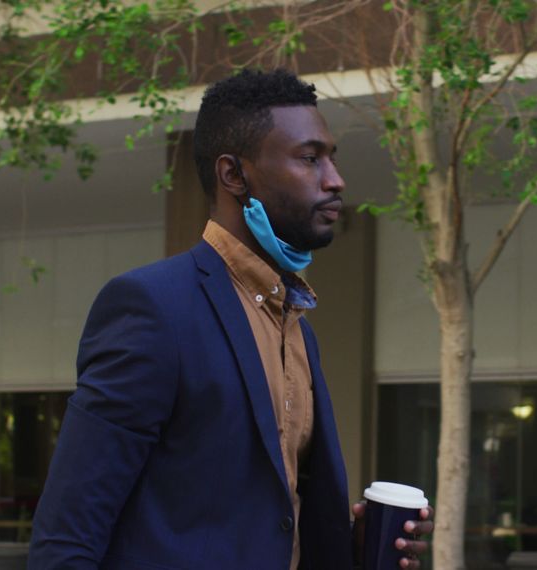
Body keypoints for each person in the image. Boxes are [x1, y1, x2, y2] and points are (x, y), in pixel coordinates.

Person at [28, 68, 432, 569]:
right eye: (309, 158)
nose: (335, 179)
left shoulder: (297, 328)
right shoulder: (153, 308)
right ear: (234, 175)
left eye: (331, 158)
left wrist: (348, 545)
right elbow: (67, 535)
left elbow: (260, 520)